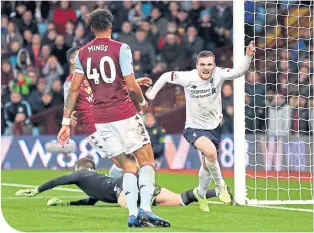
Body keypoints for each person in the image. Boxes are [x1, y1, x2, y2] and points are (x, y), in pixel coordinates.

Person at [57, 9, 169, 227]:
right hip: (123, 113)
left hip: (100, 119)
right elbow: (130, 86)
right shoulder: (121, 48)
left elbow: (73, 90)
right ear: (110, 25)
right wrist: (143, 102)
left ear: (91, 28)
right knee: (146, 161)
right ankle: (146, 209)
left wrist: (65, 122)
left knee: (128, 166)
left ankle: (133, 214)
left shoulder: (82, 53)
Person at [146, 41, 256, 211]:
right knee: (211, 153)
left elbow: (238, 72)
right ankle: (221, 187)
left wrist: (248, 56)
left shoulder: (219, 74)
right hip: (193, 128)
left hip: (213, 127)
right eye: (202, 64)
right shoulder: (188, 77)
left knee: (207, 162)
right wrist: (152, 93)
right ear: (197, 66)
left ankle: (201, 193)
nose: (206, 68)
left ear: (214, 65)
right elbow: (166, 76)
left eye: (209, 64)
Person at [63, 47, 151, 179]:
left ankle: (115, 186)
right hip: (93, 128)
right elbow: (68, 102)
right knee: (123, 162)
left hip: (106, 121)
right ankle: (119, 189)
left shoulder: (90, 75)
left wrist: (135, 82)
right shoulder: (70, 82)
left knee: (128, 160)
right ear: (72, 60)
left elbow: (111, 89)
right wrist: (68, 118)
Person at [15, 157, 233, 209]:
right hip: (135, 184)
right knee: (179, 200)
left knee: (124, 203)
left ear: (81, 169)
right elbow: (92, 201)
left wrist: (37, 190)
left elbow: (60, 179)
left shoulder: (82, 176)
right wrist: (65, 204)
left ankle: (144, 215)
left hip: (123, 185)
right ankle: (217, 191)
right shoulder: (94, 181)